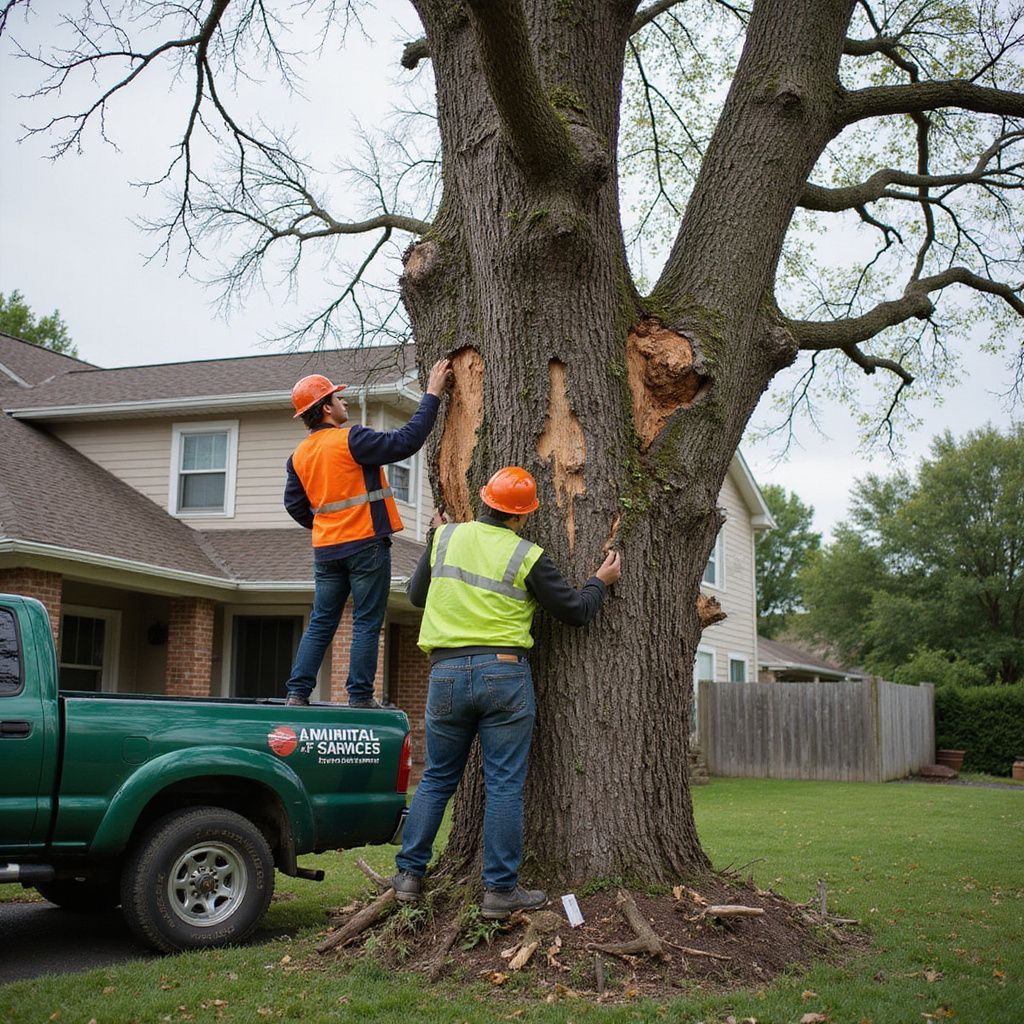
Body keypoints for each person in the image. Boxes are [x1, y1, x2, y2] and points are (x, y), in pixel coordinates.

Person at [391, 466, 622, 918]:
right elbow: (574, 612)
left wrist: (434, 540)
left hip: (445, 674)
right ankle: (499, 891)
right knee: (503, 786)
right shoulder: (527, 555)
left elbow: (418, 597)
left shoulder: (444, 538)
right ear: (523, 516)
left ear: (484, 501)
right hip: (504, 674)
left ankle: (409, 876)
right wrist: (600, 583)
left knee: (436, 778)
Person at [283, 359, 452, 707]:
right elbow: (406, 441)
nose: (344, 404)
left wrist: (326, 525)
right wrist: (432, 394)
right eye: (338, 399)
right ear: (327, 408)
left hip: (327, 551)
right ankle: (360, 697)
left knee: (321, 622)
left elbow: (295, 506)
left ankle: (297, 693)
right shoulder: (351, 440)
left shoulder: (298, 456)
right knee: (366, 621)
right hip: (366, 545)